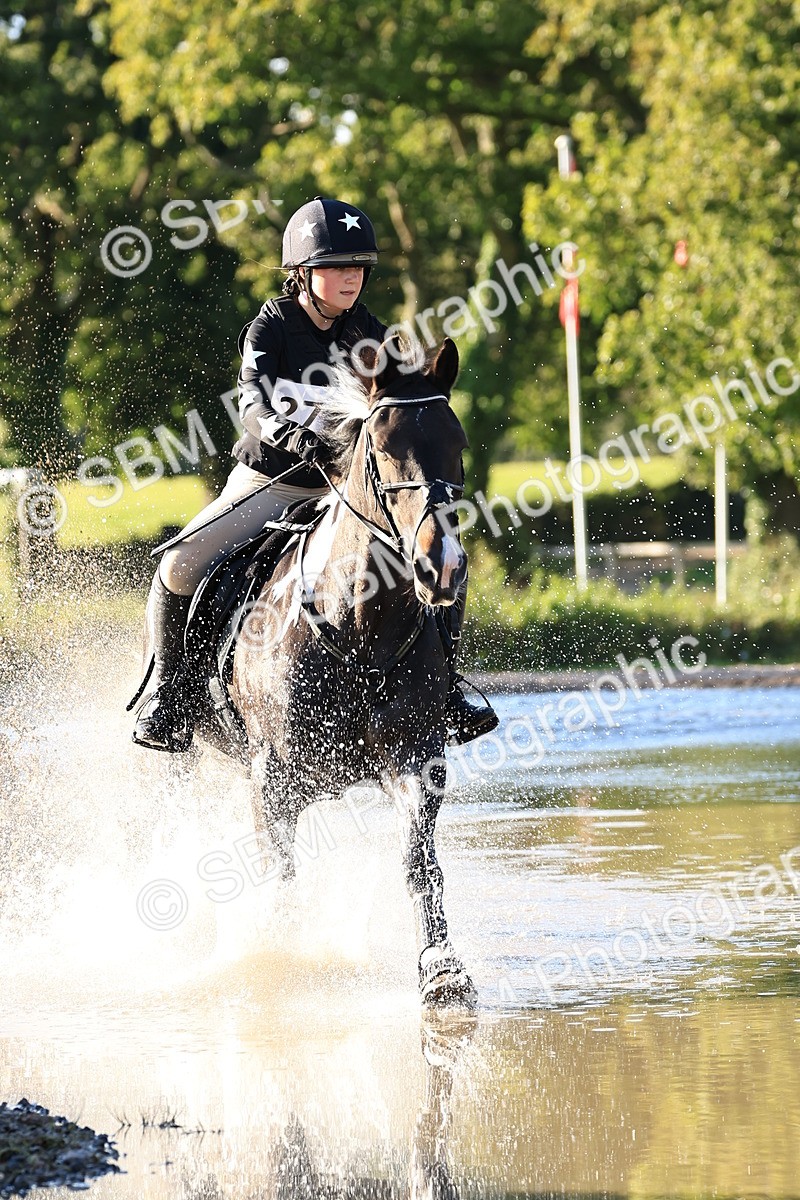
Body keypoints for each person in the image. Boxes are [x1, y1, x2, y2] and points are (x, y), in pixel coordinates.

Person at [130, 196, 497, 752]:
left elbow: (396, 406)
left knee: (444, 556)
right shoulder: (270, 328)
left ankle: (446, 689)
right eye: (336, 267)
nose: (351, 279)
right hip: (270, 482)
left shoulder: (368, 335)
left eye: (357, 268)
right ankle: (170, 693)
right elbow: (249, 403)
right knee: (180, 564)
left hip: (344, 491)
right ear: (304, 272)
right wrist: (290, 435)